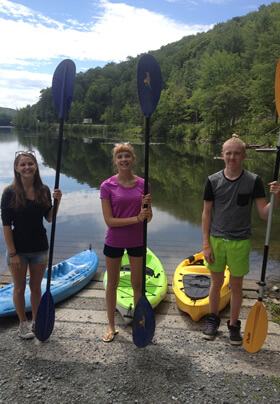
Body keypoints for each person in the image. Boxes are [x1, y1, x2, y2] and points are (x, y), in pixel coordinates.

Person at [202, 134, 280, 345]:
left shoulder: (253, 180)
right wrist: (206, 244)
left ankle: (234, 325)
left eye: (237, 153)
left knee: (236, 286)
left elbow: (264, 213)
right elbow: (206, 214)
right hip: (216, 240)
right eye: (228, 153)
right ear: (222, 155)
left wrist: (276, 198)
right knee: (216, 283)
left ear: (244, 156)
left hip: (240, 241)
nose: (232, 157)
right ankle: (212, 319)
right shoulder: (212, 180)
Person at [1, 151, 62, 339]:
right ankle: (22, 324)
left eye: (30, 164)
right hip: (17, 250)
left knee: (36, 288)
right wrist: (12, 253)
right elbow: (6, 226)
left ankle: (36, 322)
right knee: (19, 288)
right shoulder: (9, 193)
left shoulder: (43, 190)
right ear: (16, 169)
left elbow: (50, 218)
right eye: (23, 164)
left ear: (36, 166)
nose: (27, 167)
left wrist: (56, 202)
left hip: (39, 248)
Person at [100, 143, 152, 342]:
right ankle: (111, 326)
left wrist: (145, 212)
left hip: (137, 240)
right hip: (114, 240)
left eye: (127, 156)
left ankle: (140, 323)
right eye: (120, 156)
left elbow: (149, 217)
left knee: (137, 284)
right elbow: (109, 221)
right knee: (112, 284)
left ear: (133, 159)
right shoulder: (107, 186)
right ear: (115, 161)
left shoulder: (144, 185)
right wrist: (137, 218)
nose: (124, 160)